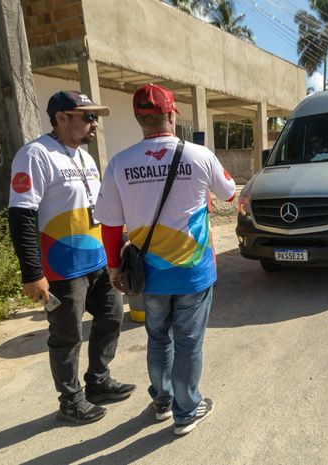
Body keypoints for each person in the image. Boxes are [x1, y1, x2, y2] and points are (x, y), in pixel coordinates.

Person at [94, 84, 236, 436]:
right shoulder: (200, 155)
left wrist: (114, 266)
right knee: (188, 342)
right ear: (172, 115)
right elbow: (230, 193)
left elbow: (110, 224)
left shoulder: (119, 163)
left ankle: (162, 401)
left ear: (139, 118)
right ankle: (186, 412)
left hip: (148, 273)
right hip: (193, 272)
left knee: (158, 337)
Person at [8, 90, 135, 424]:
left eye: (95, 117)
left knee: (111, 319)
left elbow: (99, 209)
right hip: (61, 268)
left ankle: (98, 381)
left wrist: (118, 246)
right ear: (61, 117)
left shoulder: (86, 158)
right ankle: (70, 400)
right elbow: (21, 216)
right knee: (66, 336)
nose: (94, 124)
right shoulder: (35, 155)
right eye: (87, 117)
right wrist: (32, 273)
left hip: (97, 262)